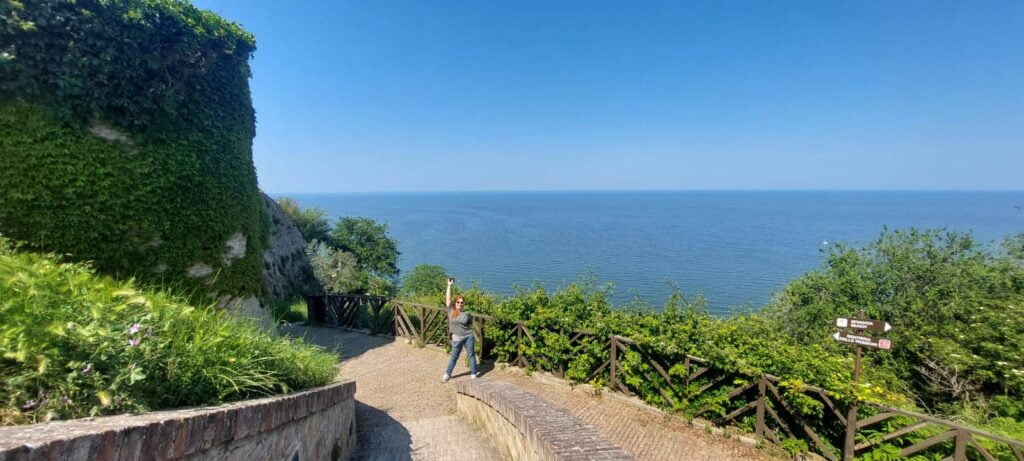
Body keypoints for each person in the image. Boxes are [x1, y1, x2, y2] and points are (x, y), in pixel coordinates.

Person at [441, 277, 477, 383]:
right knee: (454, 357)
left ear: (463, 304)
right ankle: (447, 374)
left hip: (468, 336)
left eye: (461, 302)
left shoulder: (467, 313)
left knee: (471, 355)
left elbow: (470, 323)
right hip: (456, 337)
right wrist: (449, 286)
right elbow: (447, 299)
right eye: (458, 302)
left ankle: (473, 373)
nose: (460, 304)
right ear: (455, 303)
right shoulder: (451, 310)